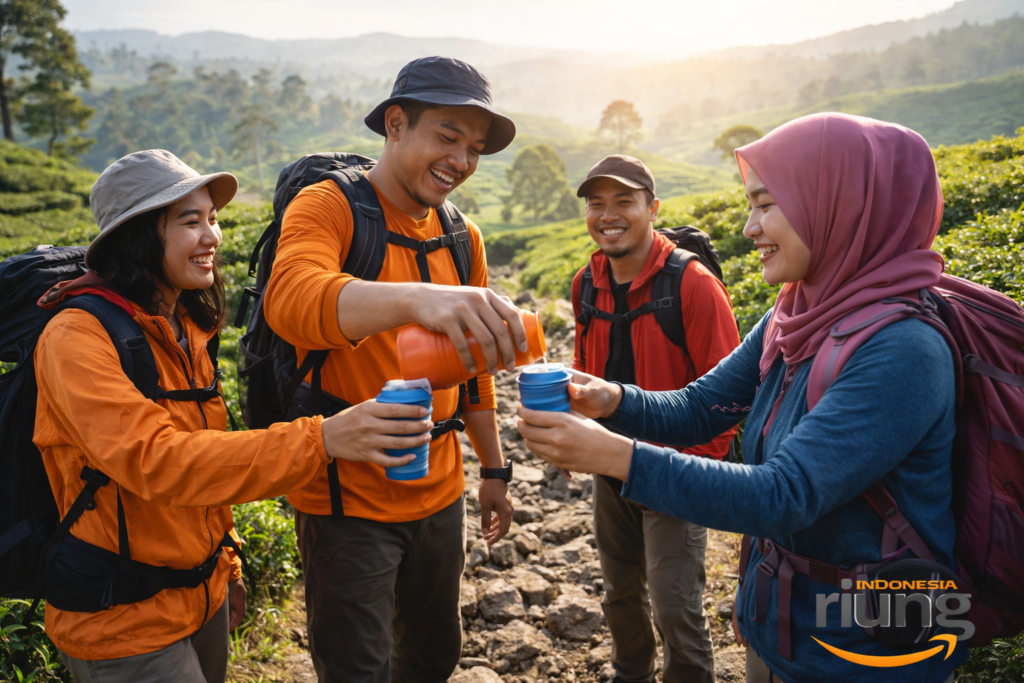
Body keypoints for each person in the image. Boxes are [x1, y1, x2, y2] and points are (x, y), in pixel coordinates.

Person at [516, 113, 965, 683]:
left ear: (840, 205)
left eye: (767, 205)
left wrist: (610, 454)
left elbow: (784, 494)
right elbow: (703, 406)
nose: (749, 227)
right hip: (784, 629)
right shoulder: (795, 311)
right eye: (750, 206)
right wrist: (611, 400)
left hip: (868, 650)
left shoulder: (903, 349)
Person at [33, 149, 435, 683]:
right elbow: (159, 460)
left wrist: (226, 565)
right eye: (190, 221)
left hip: (200, 594)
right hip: (122, 617)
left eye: (214, 219)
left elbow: (207, 456)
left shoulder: (181, 324)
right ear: (137, 236)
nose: (213, 237)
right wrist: (324, 438)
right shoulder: (75, 337)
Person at [262, 56, 522, 682]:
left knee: (434, 655)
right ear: (396, 124)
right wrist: (416, 300)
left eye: (475, 148)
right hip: (346, 502)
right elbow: (292, 301)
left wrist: (493, 468)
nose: (461, 160)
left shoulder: (463, 237)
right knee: (358, 668)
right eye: (448, 137)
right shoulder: (329, 208)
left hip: (438, 492)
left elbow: (475, 371)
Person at [571, 155, 740, 683]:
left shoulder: (691, 284)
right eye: (597, 204)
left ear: (653, 208)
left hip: (674, 472)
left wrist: (690, 477)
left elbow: (730, 396)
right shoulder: (586, 282)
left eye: (624, 201)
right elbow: (585, 367)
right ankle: (631, 674)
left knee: (674, 604)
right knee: (619, 593)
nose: (608, 214)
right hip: (609, 465)